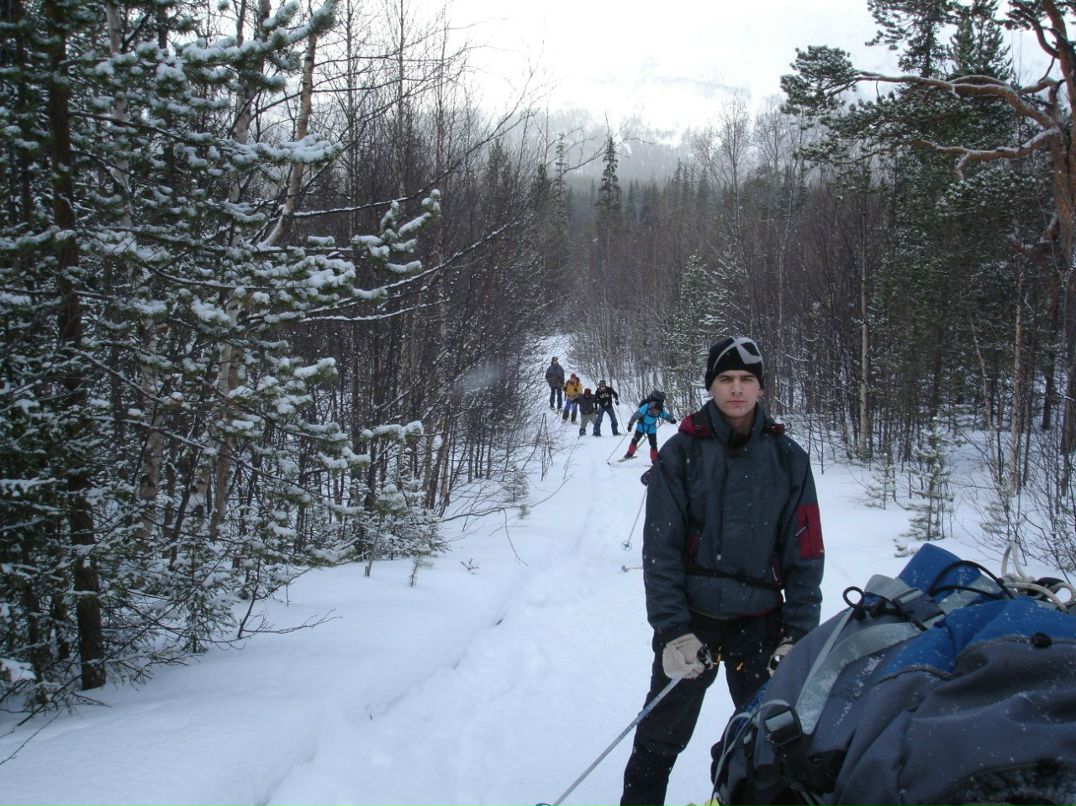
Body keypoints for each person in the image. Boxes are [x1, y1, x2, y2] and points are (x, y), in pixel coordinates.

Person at [619, 336, 825, 806]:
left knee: (774, 740)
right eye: (726, 379)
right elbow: (661, 552)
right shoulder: (681, 453)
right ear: (710, 386)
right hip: (694, 621)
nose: (736, 389)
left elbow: (806, 551)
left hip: (761, 624)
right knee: (658, 739)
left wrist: (798, 633)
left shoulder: (789, 458)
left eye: (746, 379)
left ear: (761, 388)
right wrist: (673, 631)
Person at [623, 391, 676, 463]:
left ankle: (629, 454)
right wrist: (671, 420)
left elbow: (636, 415)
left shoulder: (647, 406)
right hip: (651, 428)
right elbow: (665, 415)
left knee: (635, 440)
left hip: (642, 426)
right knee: (653, 444)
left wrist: (630, 424)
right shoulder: (658, 408)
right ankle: (654, 460)